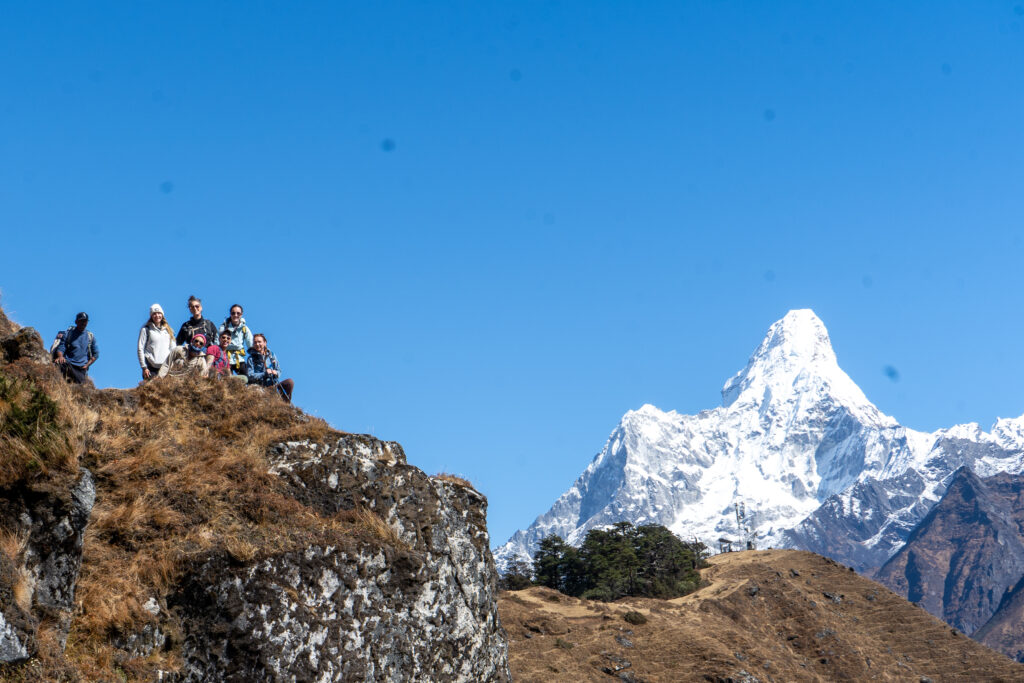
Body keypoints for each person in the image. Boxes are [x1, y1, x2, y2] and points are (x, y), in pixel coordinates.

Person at [245, 333, 294, 402]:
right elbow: (250, 375)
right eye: (255, 342)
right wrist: (264, 374)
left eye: (259, 342)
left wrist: (276, 373)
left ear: (265, 343)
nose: (257, 344)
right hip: (260, 387)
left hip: (273, 385)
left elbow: (278, 370)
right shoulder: (251, 358)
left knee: (289, 382)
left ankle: (286, 405)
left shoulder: (271, 355)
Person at [54, 312, 98, 384]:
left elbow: (96, 354)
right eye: (81, 321)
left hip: (81, 368)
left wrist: (87, 365)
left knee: (80, 387)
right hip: (68, 363)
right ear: (76, 322)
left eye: (85, 321)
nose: (83, 323)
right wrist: (60, 357)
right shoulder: (68, 334)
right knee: (60, 366)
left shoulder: (90, 336)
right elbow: (61, 347)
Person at [137, 303, 176, 381]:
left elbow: (173, 349)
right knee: (150, 390)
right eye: (154, 314)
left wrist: (173, 365)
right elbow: (140, 348)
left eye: (159, 313)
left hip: (166, 367)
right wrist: (144, 367)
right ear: (151, 316)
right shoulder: (146, 329)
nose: (157, 315)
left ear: (162, 314)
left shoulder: (168, 331)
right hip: (151, 367)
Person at [217, 304, 253, 376]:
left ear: (241, 314)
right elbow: (217, 341)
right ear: (230, 314)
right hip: (225, 358)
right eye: (233, 313)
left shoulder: (244, 328)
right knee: (226, 379)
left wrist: (255, 355)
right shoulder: (224, 327)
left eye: (238, 313)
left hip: (239, 359)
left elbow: (250, 343)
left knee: (247, 378)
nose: (235, 315)